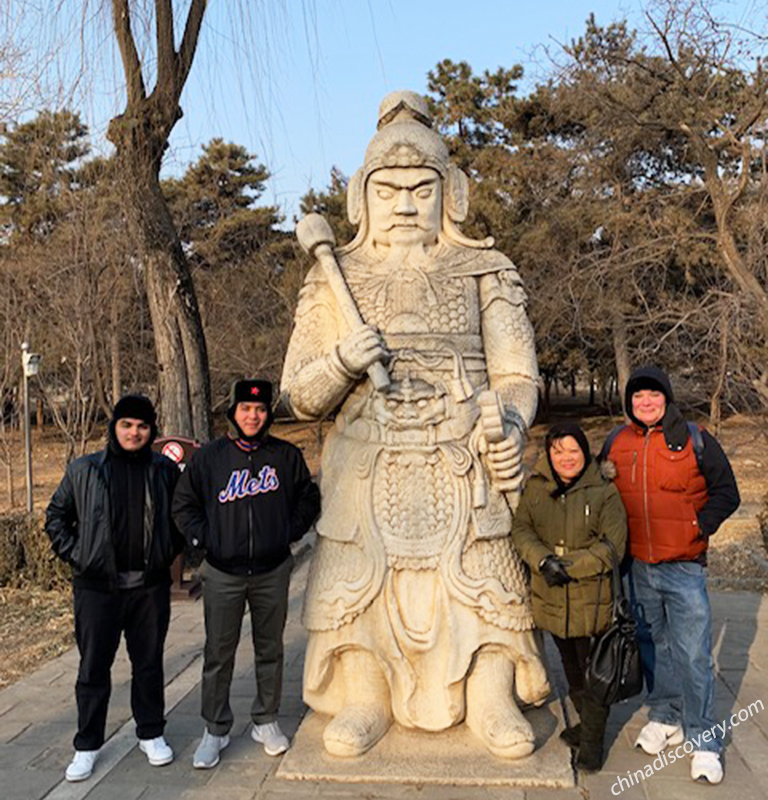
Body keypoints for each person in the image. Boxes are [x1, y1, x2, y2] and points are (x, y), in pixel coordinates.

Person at [280, 90, 551, 760]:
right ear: (361, 198)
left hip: (461, 452)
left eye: (421, 189)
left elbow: (518, 372)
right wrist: (343, 359)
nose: (405, 204)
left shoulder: (487, 269)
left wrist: (509, 420)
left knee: (484, 579)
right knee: (359, 583)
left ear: (450, 195)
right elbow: (299, 393)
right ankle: (365, 693)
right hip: (367, 458)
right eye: (390, 189)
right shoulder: (332, 278)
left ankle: (490, 693)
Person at [172, 379, 320, 768]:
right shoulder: (210, 458)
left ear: (267, 414)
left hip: (272, 570)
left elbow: (309, 498)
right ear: (233, 413)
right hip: (223, 572)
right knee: (219, 653)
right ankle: (215, 728)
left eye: (259, 409)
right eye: (245, 409)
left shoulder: (285, 456)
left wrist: (288, 532)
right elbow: (183, 504)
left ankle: (265, 720)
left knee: (270, 648)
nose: (252, 415)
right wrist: (207, 540)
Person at [603, 365, 739, 785]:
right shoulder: (617, 441)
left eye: (653, 395)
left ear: (666, 399)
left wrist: (699, 526)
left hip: (683, 567)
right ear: (630, 403)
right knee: (654, 648)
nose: (646, 402)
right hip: (639, 566)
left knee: (694, 654)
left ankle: (704, 739)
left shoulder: (695, 438)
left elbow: (727, 493)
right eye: (638, 396)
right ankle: (666, 715)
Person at [45, 395, 182, 782]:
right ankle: (87, 744)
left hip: (148, 589)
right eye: (126, 425)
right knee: (93, 668)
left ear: (151, 430)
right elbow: (56, 516)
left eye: (141, 426)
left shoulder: (164, 470)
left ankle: (151, 732)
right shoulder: (85, 470)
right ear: (114, 427)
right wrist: (80, 556)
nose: (134, 433)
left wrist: (165, 553)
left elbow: (180, 518)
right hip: (97, 589)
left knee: (149, 664)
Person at [512, 423, 627, 772]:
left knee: (595, 672)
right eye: (557, 451)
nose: (565, 458)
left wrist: (567, 565)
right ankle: (585, 725)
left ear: (585, 453)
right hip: (552, 596)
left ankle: (592, 742)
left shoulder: (603, 491)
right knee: (571, 667)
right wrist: (542, 560)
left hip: (590, 598)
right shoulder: (536, 488)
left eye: (573, 451)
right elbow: (522, 529)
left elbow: (613, 546)